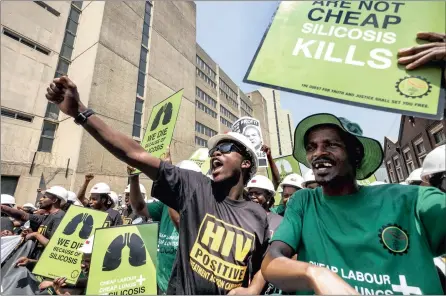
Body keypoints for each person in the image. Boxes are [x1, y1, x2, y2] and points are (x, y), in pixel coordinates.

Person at [44, 75, 269, 295]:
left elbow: (271, 260)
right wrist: (79, 111)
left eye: (227, 148)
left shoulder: (260, 217)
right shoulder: (195, 188)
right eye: (213, 150)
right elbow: (134, 153)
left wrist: (254, 288)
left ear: (247, 162)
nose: (217, 152)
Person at [261, 113, 445, 295]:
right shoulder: (304, 202)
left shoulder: (410, 200)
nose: (318, 153)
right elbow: (271, 262)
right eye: (311, 147)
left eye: (331, 144)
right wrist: (316, 274)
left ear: (356, 153)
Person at [129, 158, 199, 294]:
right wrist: (133, 178)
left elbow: (179, 221)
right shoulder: (164, 205)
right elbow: (138, 207)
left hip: (185, 287)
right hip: (163, 284)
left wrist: (169, 180)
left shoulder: (201, 206)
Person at [4, 186, 68, 264]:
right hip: (38, 262)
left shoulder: (59, 217)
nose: (40, 199)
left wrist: (35, 234)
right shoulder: (47, 216)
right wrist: (3, 207)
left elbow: (54, 246)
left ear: (54, 200)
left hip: (46, 267)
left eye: (44, 197)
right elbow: (24, 216)